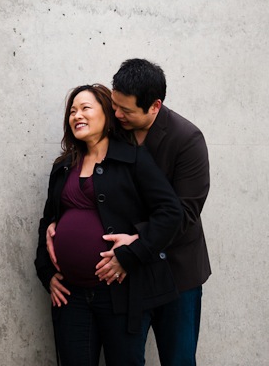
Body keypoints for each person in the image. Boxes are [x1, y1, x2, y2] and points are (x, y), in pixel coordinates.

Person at [35, 83, 183, 366]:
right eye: (72, 111)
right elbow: (47, 222)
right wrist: (46, 273)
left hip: (120, 294)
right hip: (71, 297)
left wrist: (130, 255)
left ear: (107, 114)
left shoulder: (133, 159)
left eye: (85, 108)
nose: (76, 115)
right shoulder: (64, 165)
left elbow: (170, 213)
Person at [110, 59, 211, 366]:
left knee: (179, 360)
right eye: (115, 105)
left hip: (177, 273)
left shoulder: (187, 139)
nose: (116, 114)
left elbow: (184, 213)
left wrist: (135, 242)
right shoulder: (113, 129)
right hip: (127, 274)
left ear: (154, 106)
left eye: (126, 110)